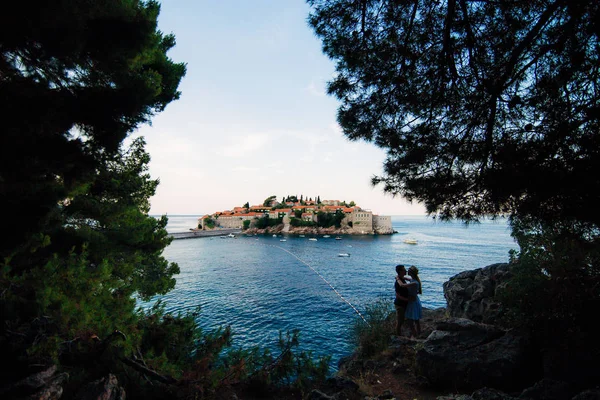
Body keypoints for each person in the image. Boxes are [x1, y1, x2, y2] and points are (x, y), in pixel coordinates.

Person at [397, 265, 423, 338]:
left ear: (411, 273)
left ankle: (415, 336)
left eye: (408, 271)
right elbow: (406, 278)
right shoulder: (414, 280)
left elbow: (402, 285)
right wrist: (401, 277)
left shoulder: (415, 283)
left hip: (412, 302)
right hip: (414, 301)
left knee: (410, 321)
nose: (407, 271)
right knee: (416, 321)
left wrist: (397, 278)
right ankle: (419, 334)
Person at [394, 264, 410, 336]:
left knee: (403, 320)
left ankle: (400, 334)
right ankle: (398, 336)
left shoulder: (402, 279)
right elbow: (398, 295)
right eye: (404, 270)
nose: (405, 271)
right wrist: (407, 300)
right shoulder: (398, 282)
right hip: (400, 304)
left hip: (404, 303)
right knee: (400, 321)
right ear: (400, 271)